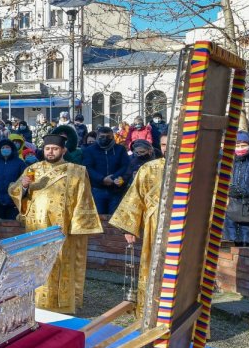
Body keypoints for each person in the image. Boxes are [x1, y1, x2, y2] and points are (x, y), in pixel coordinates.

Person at [9, 134, 103, 314]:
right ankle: (36, 302)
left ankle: (62, 304)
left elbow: (84, 198)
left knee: (61, 262)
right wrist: (24, 186)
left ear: (63, 150)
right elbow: (14, 190)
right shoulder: (32, 169)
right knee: (37, 262)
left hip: (62, 227)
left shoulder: (76, 170)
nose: (50, 152)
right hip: (36, 227)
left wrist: (79, 226)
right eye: (47, 149)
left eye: (54, 149)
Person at [110, 136, 167, 299]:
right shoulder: (148, 168)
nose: (167, 148)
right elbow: (135, 197)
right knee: (153, 264)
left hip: (186, 227)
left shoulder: (195, 169)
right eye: (163, 144)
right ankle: (150, 304)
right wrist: (128, 227)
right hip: (154, 224)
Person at [82, 126, 131, 215]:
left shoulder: (120, 149)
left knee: (115, 219)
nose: (105, 139)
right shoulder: (89, 150)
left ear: (112, 137)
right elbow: (88, 168)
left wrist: (113, 178)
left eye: (108, 137)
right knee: (99, 219)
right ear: (97, 137)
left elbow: (125, 166)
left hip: (116, 189)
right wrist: (102, 179)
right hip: (97, 189)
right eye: (102, 137)